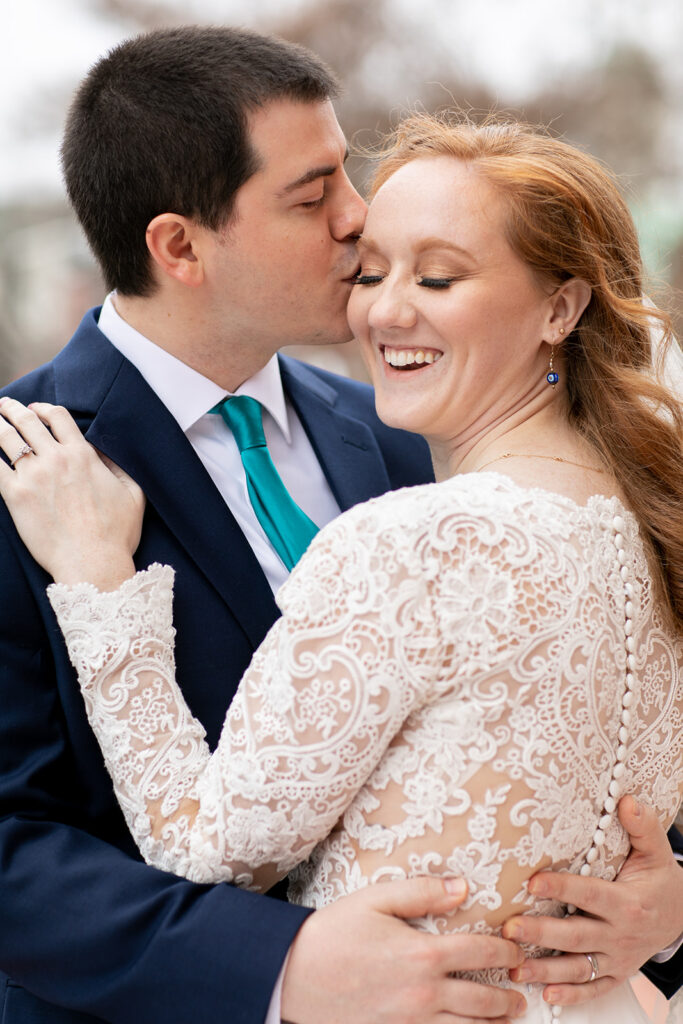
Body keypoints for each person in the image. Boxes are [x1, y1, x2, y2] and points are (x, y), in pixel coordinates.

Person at [0, 25, 679, 1024]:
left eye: (346, 179)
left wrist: (661, 904)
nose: (356, 219)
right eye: (313, 195)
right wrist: (279, 969)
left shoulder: (412, 429)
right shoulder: (26, 468)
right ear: (179, 246)